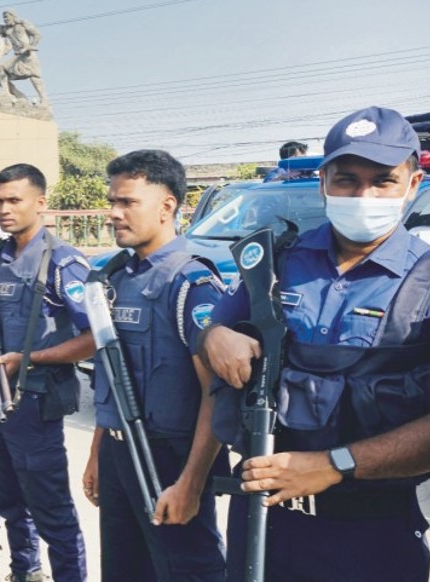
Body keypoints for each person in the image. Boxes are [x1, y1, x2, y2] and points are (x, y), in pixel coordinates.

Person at [202, 106, 430, 581]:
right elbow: (215, 331)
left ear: (411, 187)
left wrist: (334, 464)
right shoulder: (278, 260)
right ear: (324, 181)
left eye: (383, 181)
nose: (363, 195)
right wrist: (217, 336)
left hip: (369, 533)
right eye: (347, 179)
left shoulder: (425, 281)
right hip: (262, 520)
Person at [85, 150, 228, 581]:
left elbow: (216, 394)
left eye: (127, 202)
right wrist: (97, 454)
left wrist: (192, 482)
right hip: (118, 451)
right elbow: (113, 375)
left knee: (186, 569)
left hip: (169, 457)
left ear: (167, 206)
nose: (114, 213)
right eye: (113, 201)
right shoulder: (117, 278)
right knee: (124, 569)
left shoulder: (190, 283)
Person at [0, 164, 91, 582]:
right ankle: (25, 572)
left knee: (52, 511)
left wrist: (31, 359)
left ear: (41, 203)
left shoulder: (62, 262)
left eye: (14, 200)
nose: (4, 209)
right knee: (10, 501)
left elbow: (96, 337)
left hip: (35, 401)